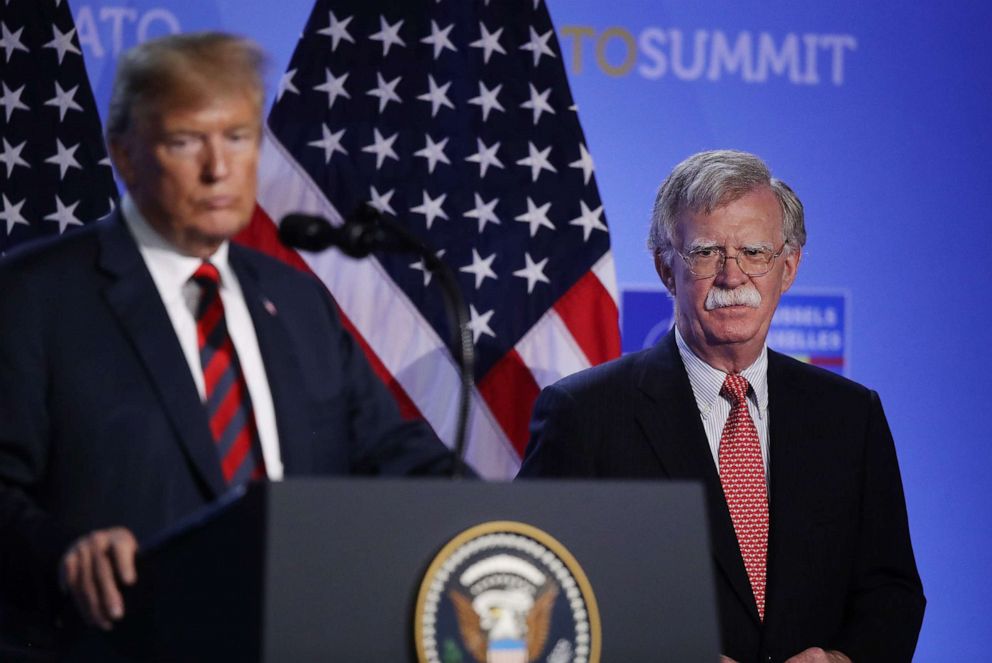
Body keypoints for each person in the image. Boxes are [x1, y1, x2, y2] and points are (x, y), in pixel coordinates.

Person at [0, 32, 459, 649]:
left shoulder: (295, 302)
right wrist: (64, 555)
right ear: (124, 154)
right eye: (186, 141)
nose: (219, 168)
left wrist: (509, 516)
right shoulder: (34, 297)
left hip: (298, 638)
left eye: (238, 138)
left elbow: (392, 454)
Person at [517, 150, 924, 662]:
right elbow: (535, 591)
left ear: (788, 267)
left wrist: (843, 660)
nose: (733, 277)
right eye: (706, 253)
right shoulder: (584, 414)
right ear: (667, 267)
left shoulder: (850, 415)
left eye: (754, 252)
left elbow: (891, 590)